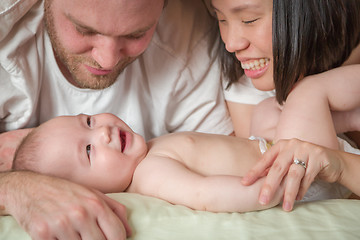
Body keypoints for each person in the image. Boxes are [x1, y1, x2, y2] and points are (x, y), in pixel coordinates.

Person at [0, 0, 233, 238]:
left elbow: (231, 158)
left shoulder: (188, 39)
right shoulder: (6, 35)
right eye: (84, 30)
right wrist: (18, 188)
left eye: (136, 35)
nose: (107, 60)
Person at [12, 68, 360, 213]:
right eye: (88, 151)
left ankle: (345, 120)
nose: (101, 132)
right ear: (91, 193)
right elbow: (204, 195)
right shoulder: (151, 175)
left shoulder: (146, 156)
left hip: (275, 149)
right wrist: (273, 187)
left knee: (267, 112)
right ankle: (339, 116)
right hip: (297, 173)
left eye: (88, 121)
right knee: (306, 93)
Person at [210, 0, 360, 211]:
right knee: (267, 115)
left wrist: (312, 91)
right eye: (221, 19)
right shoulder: (250, 77)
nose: (231, 44)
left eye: (249, 20)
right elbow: (270, 176)